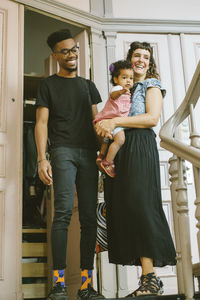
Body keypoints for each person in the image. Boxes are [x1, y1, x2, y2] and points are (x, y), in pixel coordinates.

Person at [95, 41, 176, 297]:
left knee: (142, 206)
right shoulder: (122, 87)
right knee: (128, 208)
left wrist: (114, 120)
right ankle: (147, 280)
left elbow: (152, 118)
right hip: (122, 149)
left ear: (149, 62)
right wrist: (103, 137)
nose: (141, 59)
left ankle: (151, 279)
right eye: (136, 55)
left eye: (145, 56)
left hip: (140, 146)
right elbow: (109, 120)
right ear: (129, 59)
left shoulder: (151, 84)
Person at [35, 29, 105, 300]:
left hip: (88, 155)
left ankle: (86, 286)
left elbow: (97, 122)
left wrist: (104, 155)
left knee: (89, 219)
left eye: (74, 48)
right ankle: (59, 284)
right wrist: (42, 159)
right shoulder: (48, 85)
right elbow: (41, 124)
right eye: (65, 50)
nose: (72, 53)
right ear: (55, 55)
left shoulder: (89, 86)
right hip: (62, 152)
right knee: (62, 215)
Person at [94, 60, 134, 178]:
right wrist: (122, 91)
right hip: (110, 119)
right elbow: (113, 95)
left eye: (131, 78)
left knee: (107, 139)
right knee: (120, 140)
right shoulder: (117, 88)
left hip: (116, 122)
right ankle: (108, 162)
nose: (128, 81)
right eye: (124, 77)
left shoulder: (129, 93)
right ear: (116, 79)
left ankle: (101, 156)